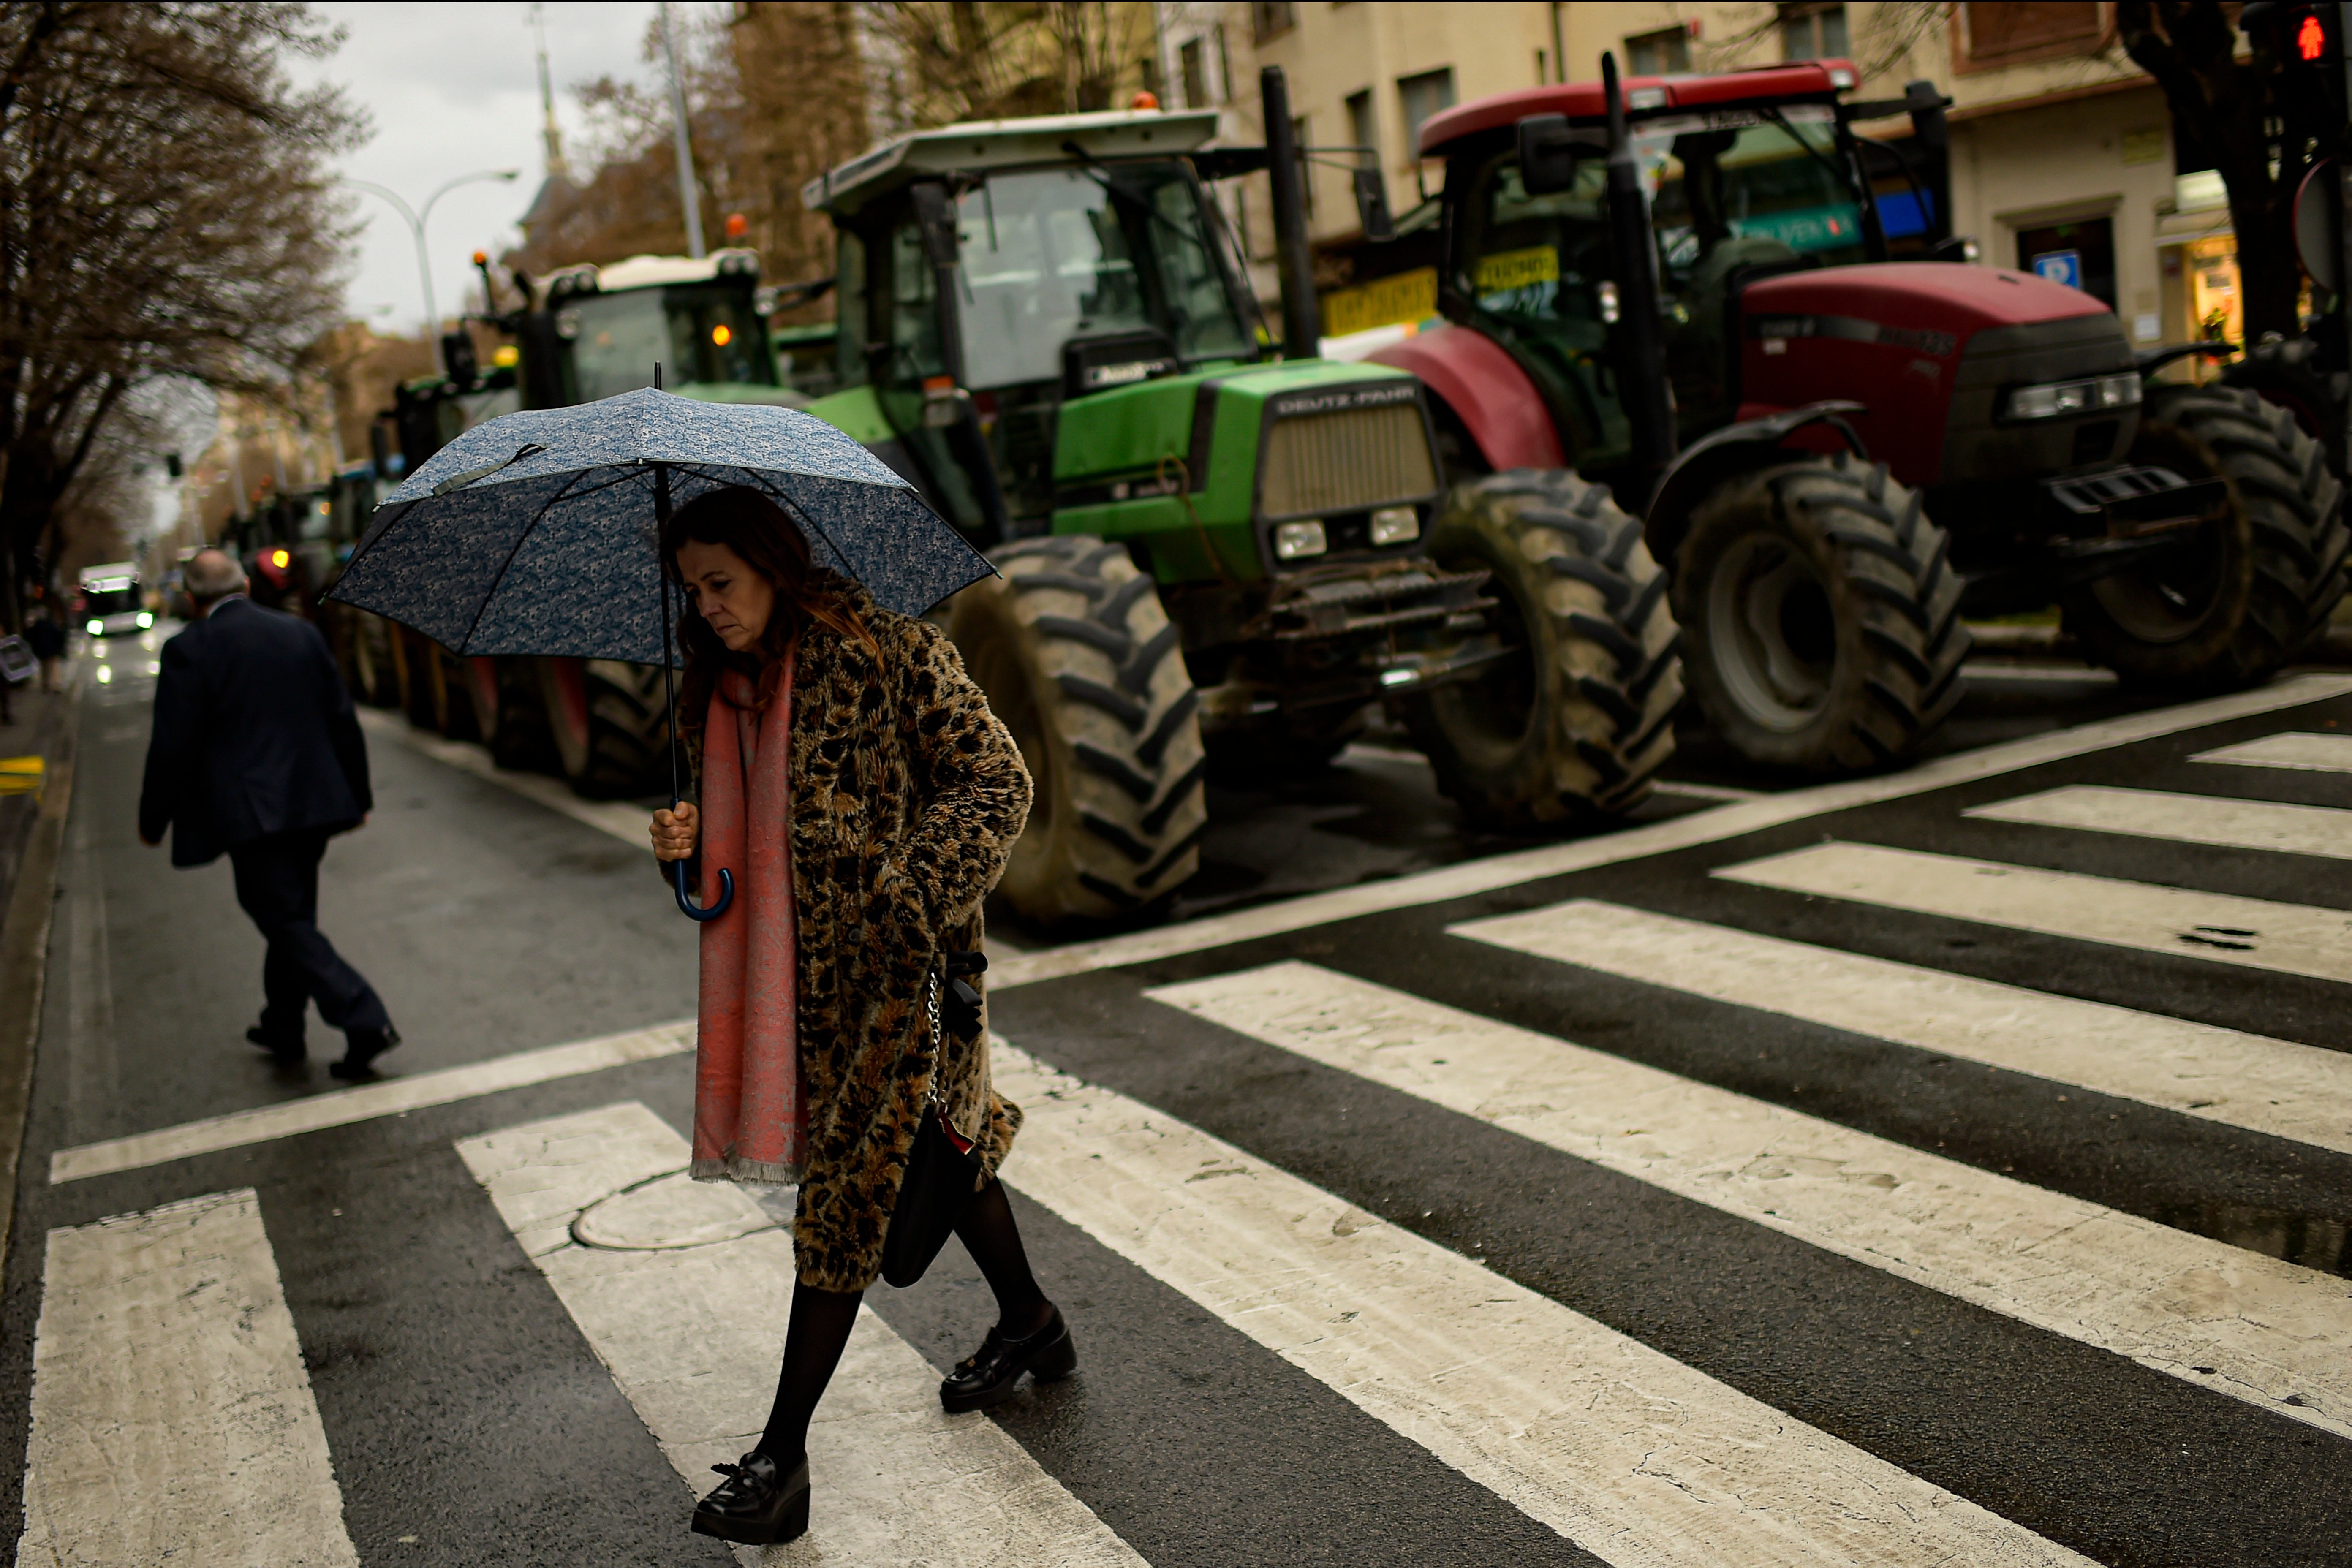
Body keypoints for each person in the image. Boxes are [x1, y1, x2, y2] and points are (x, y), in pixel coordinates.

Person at [647, 487, 1059, 1548]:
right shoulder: (710, 695)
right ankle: (1030, 1322)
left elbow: (995, 780)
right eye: (691, 589)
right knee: (945, 1155)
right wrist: (685, 846)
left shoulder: (887, 651)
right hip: (793, 996)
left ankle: (781, 1460)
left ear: (775, 564)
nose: (707, 607)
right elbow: (740, 871)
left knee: (843, 1202)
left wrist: (908, 893)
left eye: (722, 582)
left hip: (908, 984)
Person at [138, 549, 399, 1078]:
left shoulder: (190, 649)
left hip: (252, 815)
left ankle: (364, 1017)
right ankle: (282, 1022)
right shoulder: (298, 633)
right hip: (317, 802)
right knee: (292, 916)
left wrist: (152, 819)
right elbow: (341, 717)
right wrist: (358, 797)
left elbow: (173, 745)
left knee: (283, 920)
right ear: (247, 587)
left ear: (192, 599)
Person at [27, 609, 65, 693]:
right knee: (54, 667)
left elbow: (31, 637)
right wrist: (59, 648)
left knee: (44, 668)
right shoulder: (52, 624)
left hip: (42, 650)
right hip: (53, 650)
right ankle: (57, 685)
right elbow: (58, 635)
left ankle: (45, 684)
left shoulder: (36, 626)